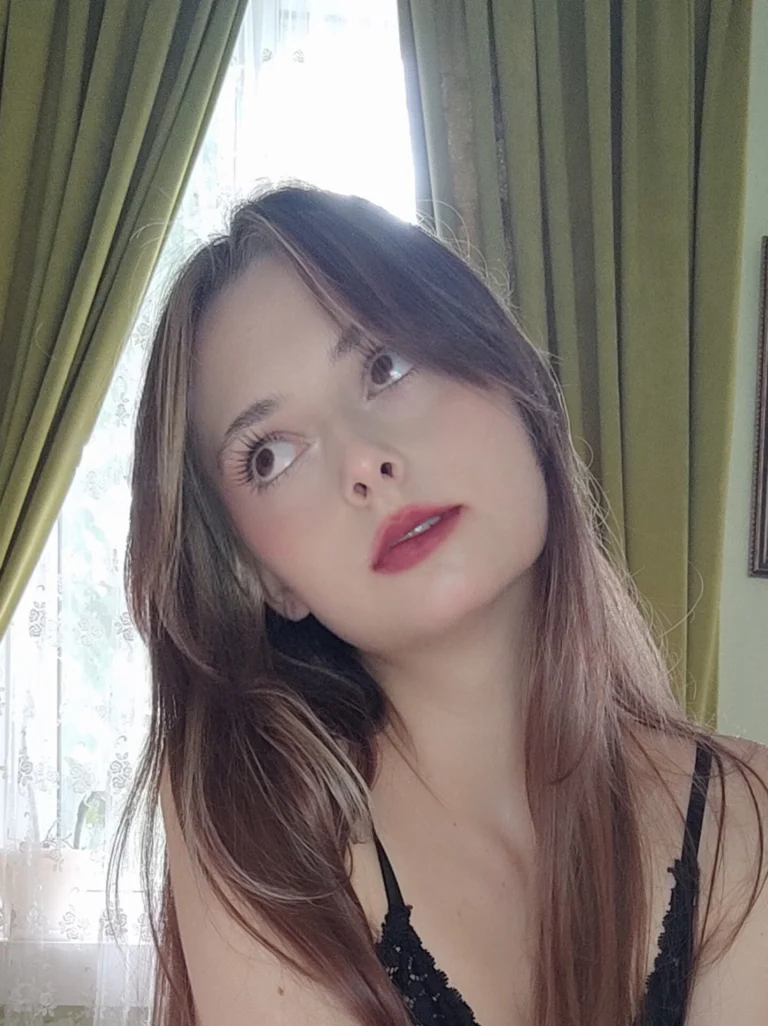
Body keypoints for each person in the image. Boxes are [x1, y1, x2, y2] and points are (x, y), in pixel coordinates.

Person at [116, 183, 768, 1026]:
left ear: (509, 376)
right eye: (271, 454)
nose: (364, 463)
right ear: (266, 578)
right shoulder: (257, 818)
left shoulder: (743, 812)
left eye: (385, 367)